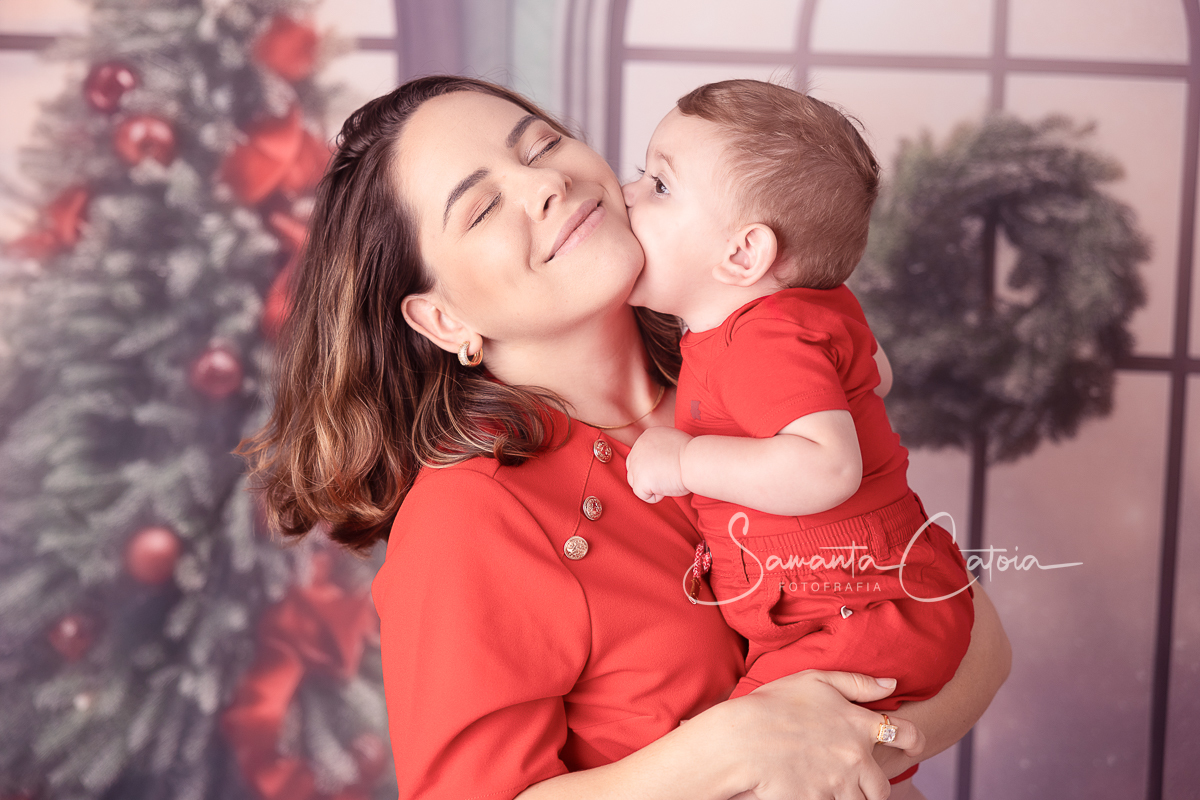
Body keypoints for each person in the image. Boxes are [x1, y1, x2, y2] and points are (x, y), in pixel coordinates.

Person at [238, 75, 1011, 800]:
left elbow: (971, 635)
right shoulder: (471, 516)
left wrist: (844, 745)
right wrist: (736, 748)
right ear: (446, 321)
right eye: (479, 209)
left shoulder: (754, 344)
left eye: (540, 145)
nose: (546, 184)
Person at [622, 80, 976, 798]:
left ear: (744, 253)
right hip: (875, 602)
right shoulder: (796, 313)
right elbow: (875, 369)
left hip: (861, 614)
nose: (627, 194)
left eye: (659, 184)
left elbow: (827, 466)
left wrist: (686, 459)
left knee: (755, 758)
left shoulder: (763, 341)